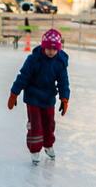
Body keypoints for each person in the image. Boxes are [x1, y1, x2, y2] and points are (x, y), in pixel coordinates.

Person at [7, 28, 70, 164]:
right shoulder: (34, 60)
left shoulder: (60, 62)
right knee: (35, 125)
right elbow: (23, 76)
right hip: (33, 97)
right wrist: (14, 93)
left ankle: (48, 144)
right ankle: (35, 150)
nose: (51, 52)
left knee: (49, 123)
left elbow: (63, 82)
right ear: (43, 46)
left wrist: (64, 98)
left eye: (54, 49)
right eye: (48, 48)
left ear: (58, 49)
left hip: (48, 98)